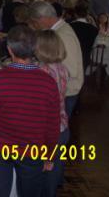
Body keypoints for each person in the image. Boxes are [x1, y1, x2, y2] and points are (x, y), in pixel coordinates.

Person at [0, 25, 60, 197]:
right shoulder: (48, 82)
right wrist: (50, 155)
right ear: (35, 49)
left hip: (1, 149)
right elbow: (52, 126)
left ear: (9, 50)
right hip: (33, 150)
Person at [29, 1, 84, 118]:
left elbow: (71, 70)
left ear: (43, 18)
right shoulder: (58, 30)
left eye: (35, 22)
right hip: (61, 91)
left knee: (58, 128)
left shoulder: (63, 35)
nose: (34, 26)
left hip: (66, 92)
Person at [35, 30, 69, 197]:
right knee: (53, 174)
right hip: (62, 126)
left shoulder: (42, 72)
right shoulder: (62, 69)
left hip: (47, 130)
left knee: (42, 176)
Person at [70, 4, 99, 72]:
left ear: (75, 14)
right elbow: (95, 45)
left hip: (71, 55)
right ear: (87, 15)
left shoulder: (69, 26)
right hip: (86, 57)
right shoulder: (94, 29)